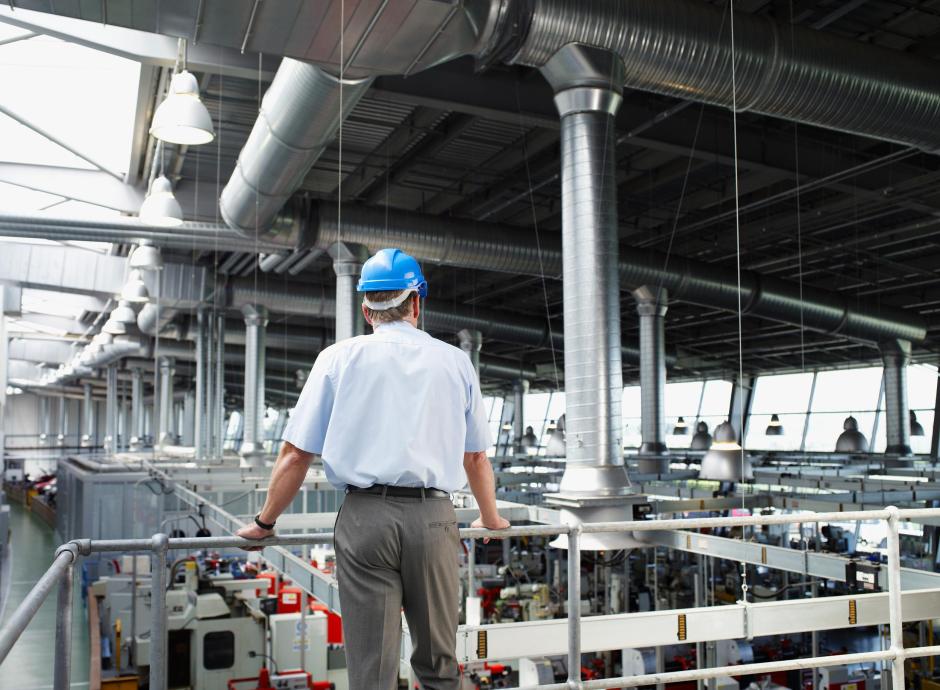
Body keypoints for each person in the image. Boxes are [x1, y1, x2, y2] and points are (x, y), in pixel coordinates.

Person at [235, 247, 510, 690]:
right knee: (440, 662)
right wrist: (491, 518)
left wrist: (265, 522)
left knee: (372, 667)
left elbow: (296, 455)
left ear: (366, 309)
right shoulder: (456, 362)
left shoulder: (337, 359)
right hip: (433, 519)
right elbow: (476, 457)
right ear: (417, 302)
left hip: (366, 520)